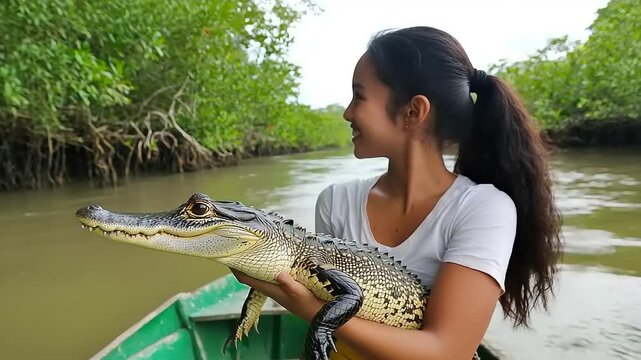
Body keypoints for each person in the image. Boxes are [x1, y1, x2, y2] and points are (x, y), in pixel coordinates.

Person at [233, 26, 561, 359]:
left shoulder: (483, 207)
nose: (347, 112)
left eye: (358, 96)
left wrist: (313, 311)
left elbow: (449, 351)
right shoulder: (336, 201)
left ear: (413, 112)